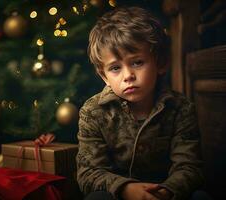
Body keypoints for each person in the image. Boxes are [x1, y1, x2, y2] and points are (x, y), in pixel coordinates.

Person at [76, 6, 210, 200]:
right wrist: (126, 189)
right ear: (104, 76)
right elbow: (88, 173)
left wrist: (166, 191)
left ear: (161, 63)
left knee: (200, 197)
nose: (128, 76)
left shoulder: (181, 107)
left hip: (165, 193)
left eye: (137, 62)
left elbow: (190, 167)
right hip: (118, 194)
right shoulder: (93, 112)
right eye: (115, 68)